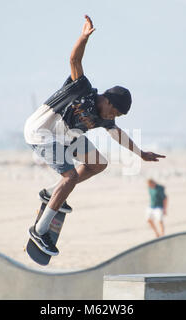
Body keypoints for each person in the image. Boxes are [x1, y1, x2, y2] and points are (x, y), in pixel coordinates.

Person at [23, 15, 165, 256]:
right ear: (107, 100)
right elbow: (74, 59)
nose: (114, 117)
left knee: (98, 163)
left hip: (66, 137)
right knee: (69, 177)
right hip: (41, 132)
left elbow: (118, 135)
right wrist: (84, 37)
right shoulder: (82, 89)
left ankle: (51, 193)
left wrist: (141, 154)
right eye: (115, 111)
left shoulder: (105, 118)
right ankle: (40, 229)